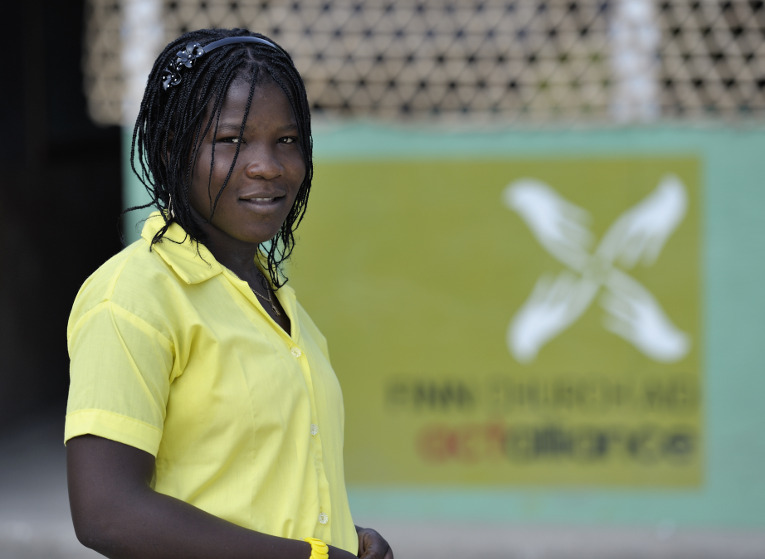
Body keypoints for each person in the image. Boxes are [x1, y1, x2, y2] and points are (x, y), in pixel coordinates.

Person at [65, 28, 393, 559]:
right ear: (173, 149)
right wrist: (307, 556)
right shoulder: (132, 297)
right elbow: (107, 513)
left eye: (286, 140)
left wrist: (342, 540)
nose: (268, 164)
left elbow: (251, 482)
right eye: (232, 141)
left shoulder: (270, 291)